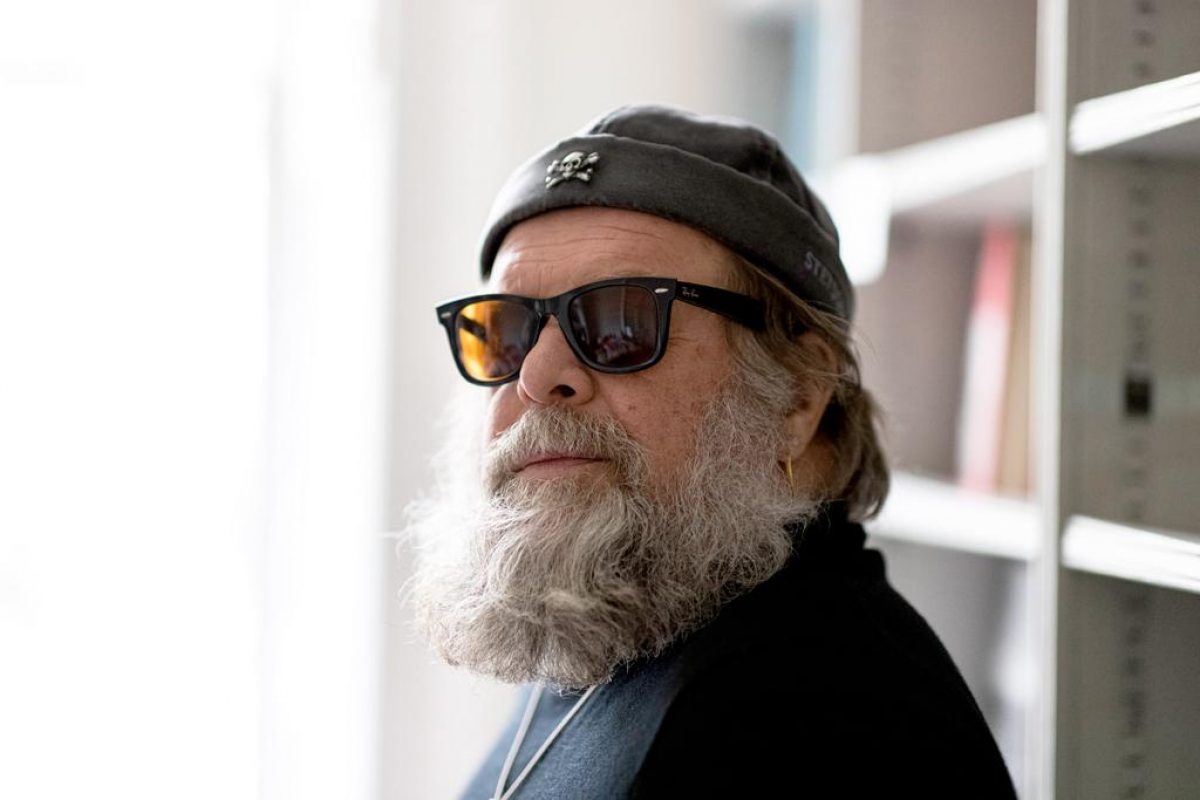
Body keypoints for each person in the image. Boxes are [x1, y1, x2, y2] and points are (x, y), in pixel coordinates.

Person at [405, 105, 1018, 799]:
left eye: (620, 322)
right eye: (507, 332)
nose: (537, 377)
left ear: (797, 396)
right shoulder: (614, 608)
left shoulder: (816, 717)